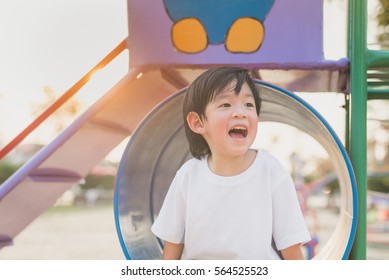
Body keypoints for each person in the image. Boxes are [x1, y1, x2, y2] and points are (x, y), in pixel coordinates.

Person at [151, 66, 311, 260]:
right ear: (198, 123)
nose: (240, 113)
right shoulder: (188, 176)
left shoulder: (269, 170)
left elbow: (291, 245)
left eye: (248, 105)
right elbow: (172, 242)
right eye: (226, 105)